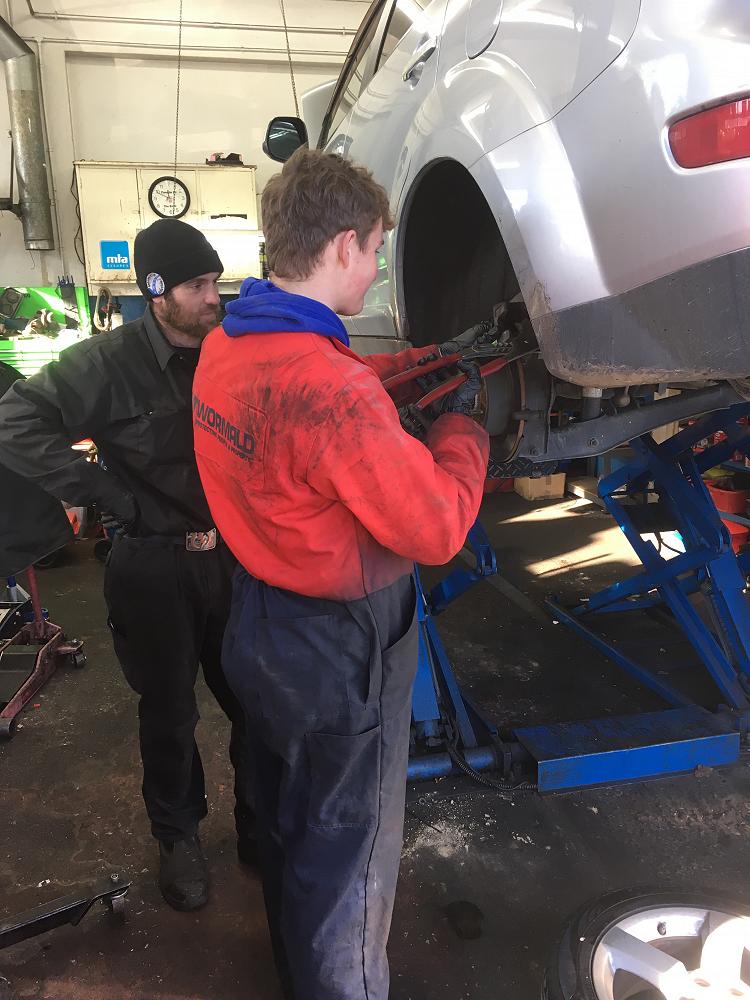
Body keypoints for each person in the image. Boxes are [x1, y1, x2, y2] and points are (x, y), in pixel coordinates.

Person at [192, 148, 490, 999]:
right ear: (347, 246)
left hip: (258, 621)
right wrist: (461, 430)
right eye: (378, 252)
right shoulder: (332, 392)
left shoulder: (230, 345)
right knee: (351, 858)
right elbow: (435, 526)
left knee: (294, 821)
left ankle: (302, 974)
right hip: (337, 651)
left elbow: (318, 392)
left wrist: (404, 369)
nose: (380, 267)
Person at [0, 219, 255, 912]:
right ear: (156, 291)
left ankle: (261, 825)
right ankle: (178, 840)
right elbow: (14, 421)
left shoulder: (229, 351)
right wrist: (109, 496)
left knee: (256, 701)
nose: (214, 297)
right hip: (153, 569)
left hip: (234, 563)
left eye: (216, 282)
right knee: (170, 713)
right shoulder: (104, 364)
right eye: (198, 286)